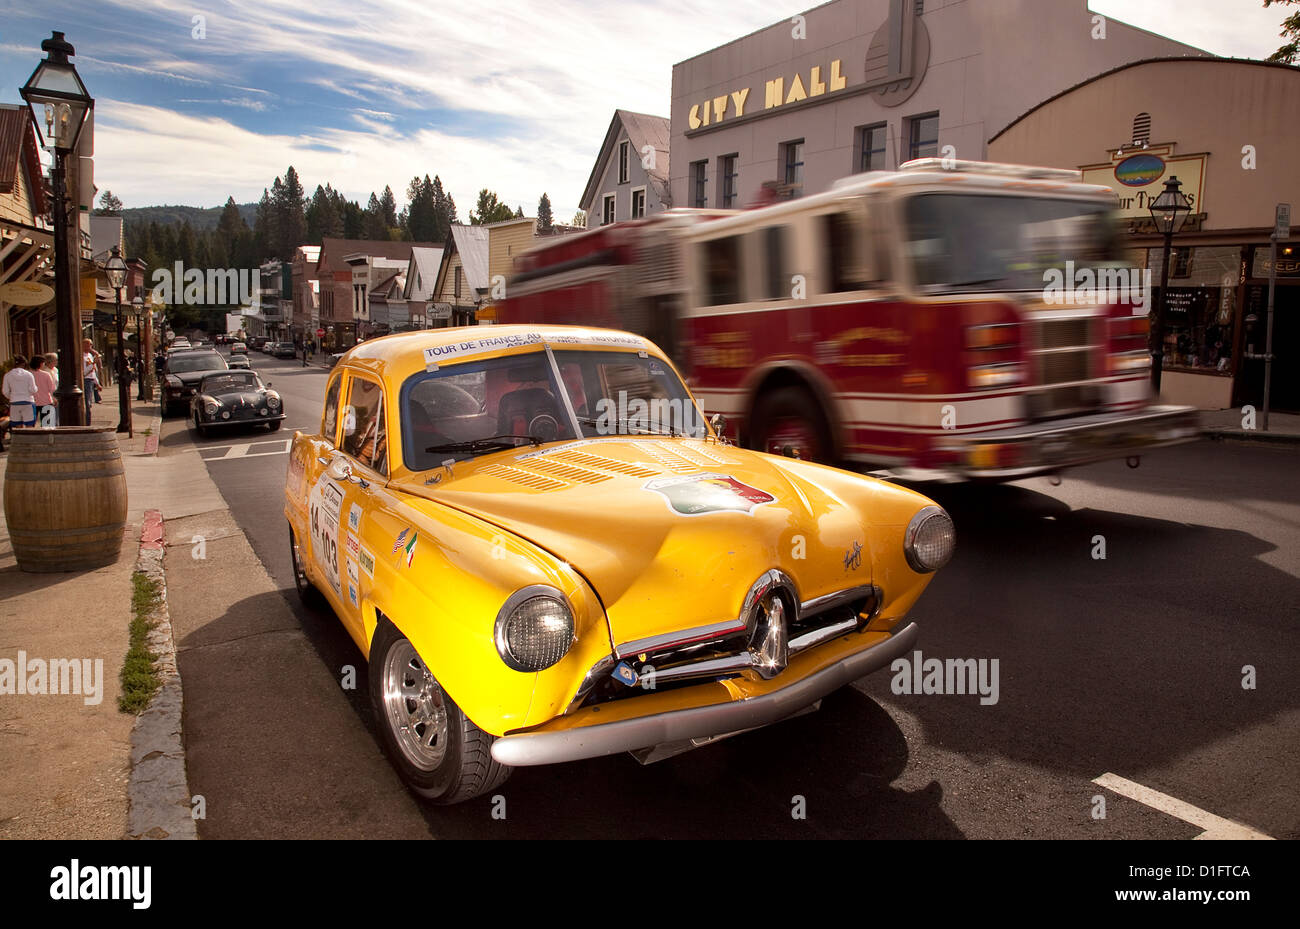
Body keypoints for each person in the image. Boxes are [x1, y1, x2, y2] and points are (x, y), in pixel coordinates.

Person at [2, 355, 39, 429]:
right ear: (24, 364)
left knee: (17, 424)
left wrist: (12, 396)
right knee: (30, 424)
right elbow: (33, 389)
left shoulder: (8, 375)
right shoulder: (28, 374)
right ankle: (29, 439)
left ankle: (19, 439)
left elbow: (5, 391)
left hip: (14, 402)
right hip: (28, 401)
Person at [31, 355, 57, 426]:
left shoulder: (29, 374)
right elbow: (52, 389)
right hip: (46, 401)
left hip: (33, 402)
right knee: (47, 425)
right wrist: (55, 399)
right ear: (40, 364)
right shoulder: (46, 375)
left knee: (31, 425)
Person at [82, 338, 102, 422]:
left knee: (89, 402)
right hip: (85, 380)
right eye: (87, 344)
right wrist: (92, 365)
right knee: (87, 402)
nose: (89, 346)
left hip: (90, 380)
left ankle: (88, 420)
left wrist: (97, 383)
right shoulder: (81, 356)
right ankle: (86, 421)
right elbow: (85, 370)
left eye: (90, 345)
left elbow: (93, 371)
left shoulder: (89, 356)